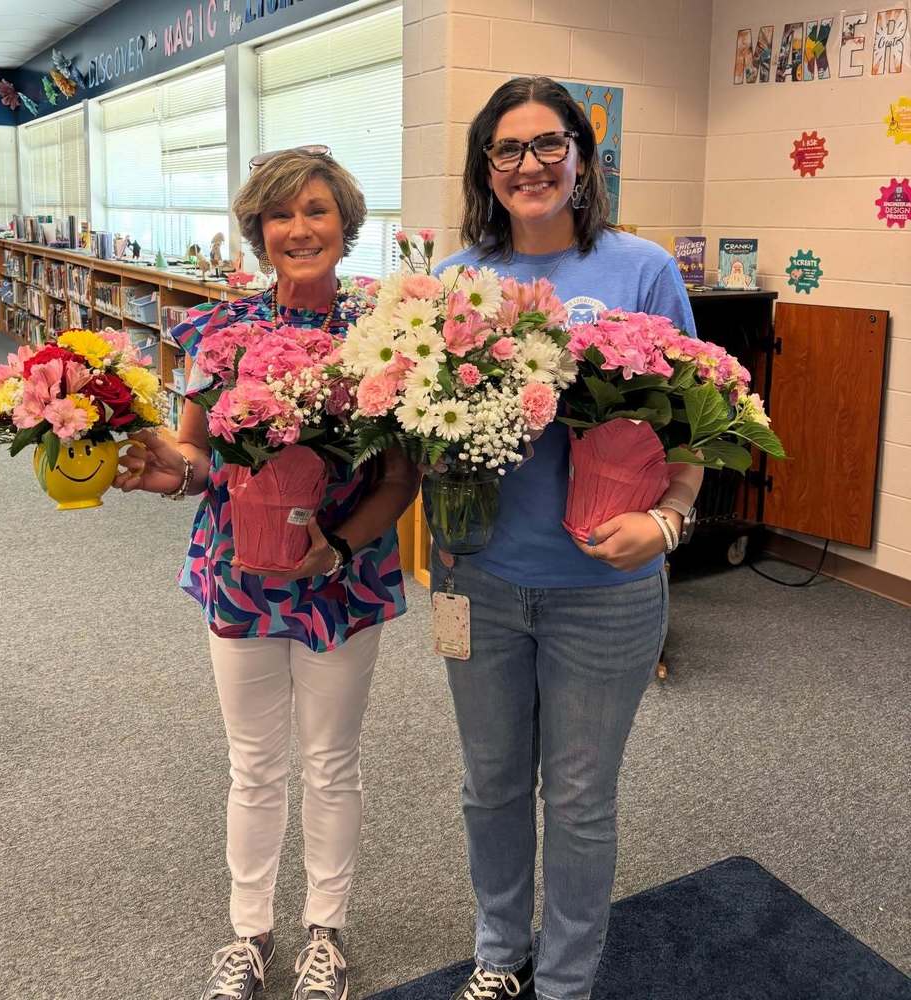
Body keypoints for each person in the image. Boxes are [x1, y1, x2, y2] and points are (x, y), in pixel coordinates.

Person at [113, 148, 419, 1000]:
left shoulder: (383, 339)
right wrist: (160, 469)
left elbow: (400, 477)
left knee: (331, 761)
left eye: (318, 211)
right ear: (258, 231)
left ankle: (327, 934)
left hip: (341, 576)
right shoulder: (218, 333)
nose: (300, 229)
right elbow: (199, 460)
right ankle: (248, 937)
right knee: (254, 765)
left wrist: (341, 545)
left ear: (345, 225)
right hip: (238, 574)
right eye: (281, 215)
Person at [433, 77, 704, 1000]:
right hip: (472, 582)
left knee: (581, 802)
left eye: (550, 144)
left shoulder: (642, 270)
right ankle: (500, 955)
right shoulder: (455, 279)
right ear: (486, 167)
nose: (529, 165)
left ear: (584, 158)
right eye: (506, 149)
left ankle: (567, 978)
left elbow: (699, 422)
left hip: (606, 593)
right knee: (489, 784)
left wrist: (670, 521)